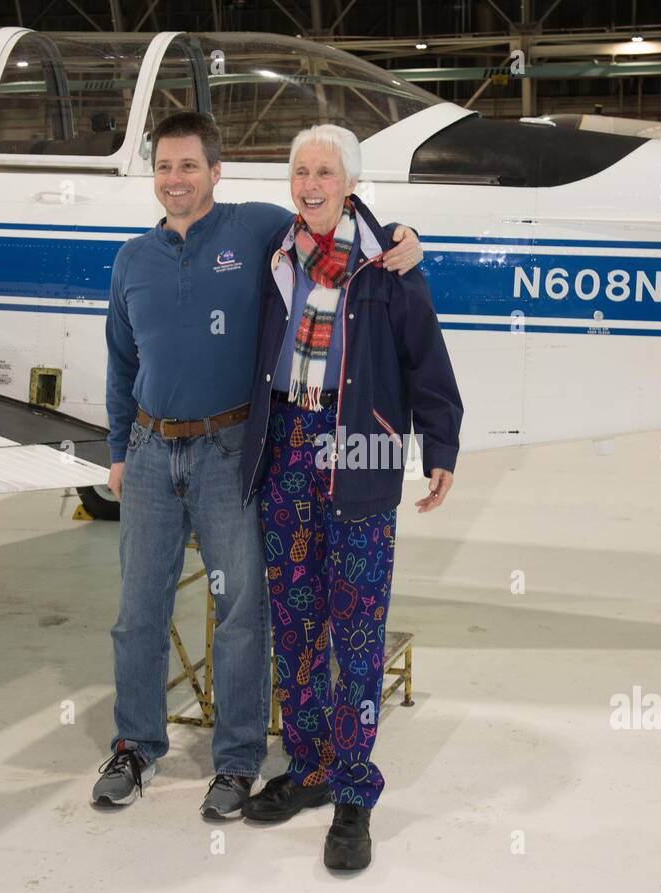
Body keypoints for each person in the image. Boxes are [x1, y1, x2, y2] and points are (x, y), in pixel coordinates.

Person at [94, 112, 423, 821]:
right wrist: (119, 451)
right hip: (151, 453)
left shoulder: (256, 230)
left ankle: (238, 762)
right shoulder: (131, 259)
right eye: (164, 168)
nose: (176, 180)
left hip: (227, 450)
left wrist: (405, 239)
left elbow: (338, 220)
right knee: (137, 612)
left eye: (190, 166)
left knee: (243, 610)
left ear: (217, 172)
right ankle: (135, 744)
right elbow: (122, 365)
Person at [238, 124, 463, 871]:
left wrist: (441, 445)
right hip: (289, 447)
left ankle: (355, 791)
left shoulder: (387, 263)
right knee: (295, 619)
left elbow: (425, 356)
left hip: (358, 449)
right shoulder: (279, 251)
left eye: (324, 172)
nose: (310, 184)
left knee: (356, 630)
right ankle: (307, 767)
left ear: (351, 182)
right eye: (300, 170)